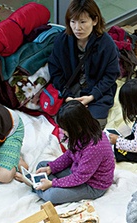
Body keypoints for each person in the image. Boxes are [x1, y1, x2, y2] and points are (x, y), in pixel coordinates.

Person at [48, 0, 120, 130]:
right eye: (73, 21)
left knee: (92, 126)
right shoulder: (62, 40)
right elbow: (55, 70)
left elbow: (111, 75)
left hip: (96, 90)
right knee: (63, 121)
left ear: (94, 21)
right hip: (70, 89)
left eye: (82, 22)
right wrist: (67, 97)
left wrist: (92, 96)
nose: (77, 28)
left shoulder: (106, 44)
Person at [31, 100, 115, 205]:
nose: (63, 132)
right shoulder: (83, 133)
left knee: (52, 196)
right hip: (77, 171)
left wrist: (53, 183)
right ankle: (43, 186)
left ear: (77, 128)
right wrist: (51, 168)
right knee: (42, 165)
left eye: (65, 129)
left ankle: (39, 187)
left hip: (92, 185)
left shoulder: (94, 147)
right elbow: (70, 155)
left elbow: (80, 177)